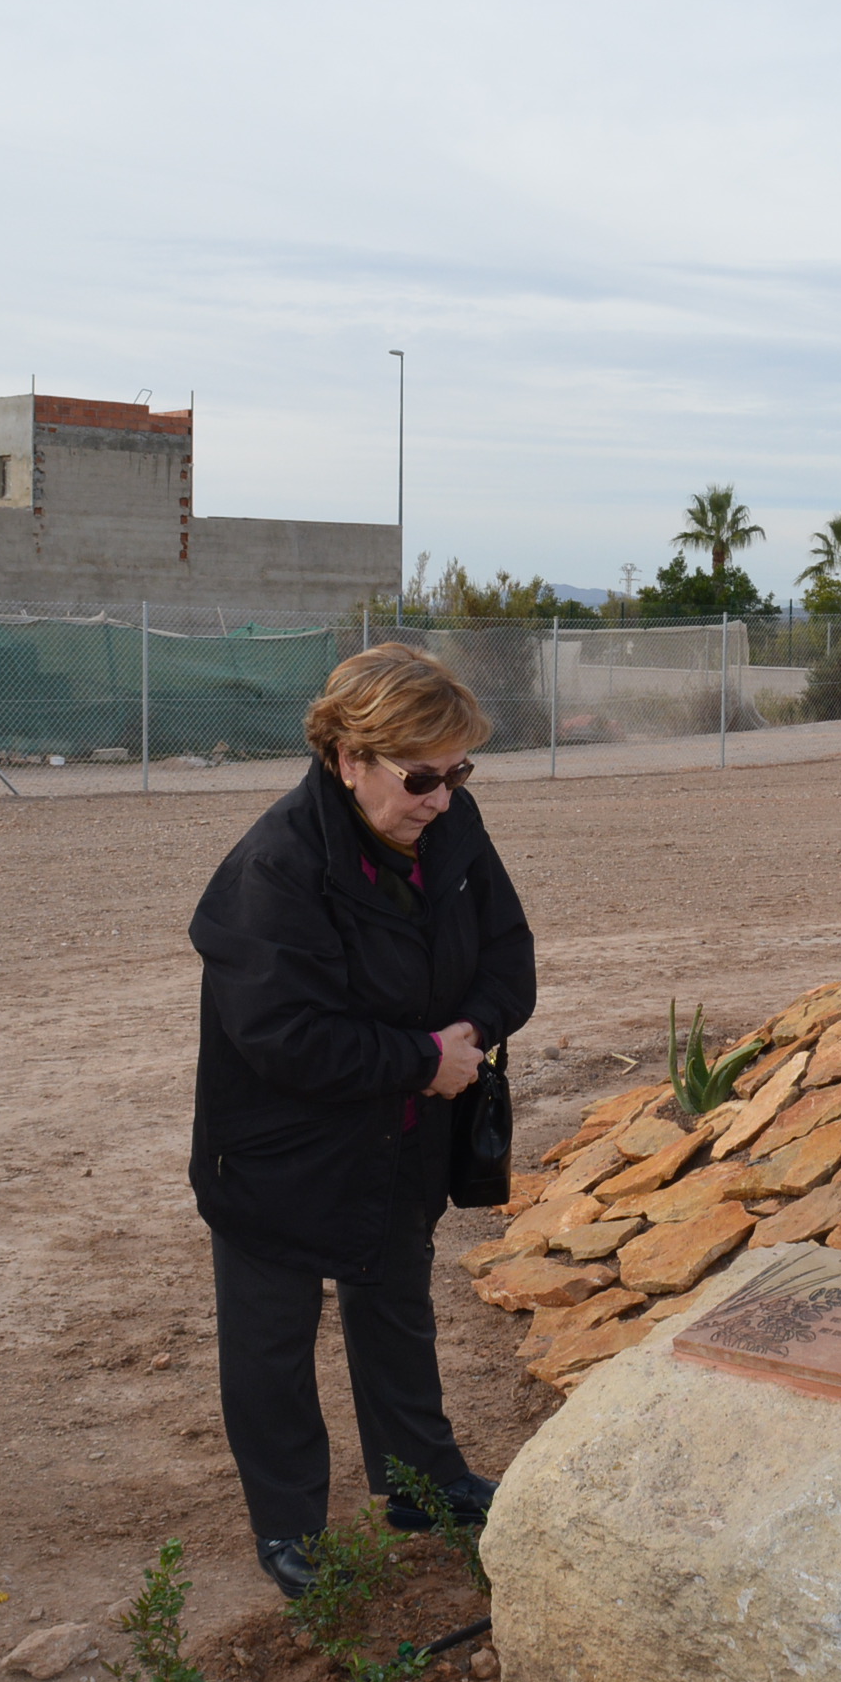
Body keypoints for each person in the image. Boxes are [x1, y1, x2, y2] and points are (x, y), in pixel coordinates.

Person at [189, 642, 536, 1599]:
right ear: (350, 759)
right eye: (422, 776)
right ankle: (292, 1528)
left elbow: (509, 955)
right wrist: (426, 1061)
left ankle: (421, 1486)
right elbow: (284, 1035)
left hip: (399, 1140)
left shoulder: (454, 833)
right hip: (277, 1154)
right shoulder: (275, 864)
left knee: (396, 1311)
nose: (443, 796)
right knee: (272, 1346)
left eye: (459, 772)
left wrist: (473, 1027)